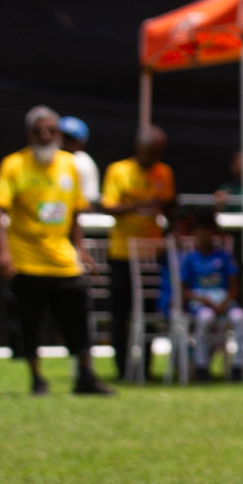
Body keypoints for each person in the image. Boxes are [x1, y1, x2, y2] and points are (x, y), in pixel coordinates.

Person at [0, 106, 114, 396]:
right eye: (39, 131)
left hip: (63, 260)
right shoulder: (14, 165)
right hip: (27, 260)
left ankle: (85, 376)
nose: (45, 136)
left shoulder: (70, 164)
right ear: (28, 134)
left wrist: (80, 250)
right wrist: (2, 252)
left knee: (78, 319)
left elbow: (75, 213)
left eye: (51, 130)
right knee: (29, 323)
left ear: (59, 134)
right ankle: (37, 379)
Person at [100, 125, 176, 380]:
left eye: (158, 153)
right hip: (122, 252)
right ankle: (122, 367)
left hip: (152, 253)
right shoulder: (118, 170)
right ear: (138, 149)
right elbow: (108, 206)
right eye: (149, 152)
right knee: (120, 313)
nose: (153, 157)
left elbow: (169, 206)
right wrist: (137, 205)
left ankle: (146, 366)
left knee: (150, 312)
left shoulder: (164, 172)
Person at [176, 213, 243, 381]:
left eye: (207, 232)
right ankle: (202, 367)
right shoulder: (190, 259)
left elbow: (235, 286)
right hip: (201, 304)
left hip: (223, 302)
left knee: (240, 318)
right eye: (200, 232)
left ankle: (239, 367)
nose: (204, 236)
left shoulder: (224, 256)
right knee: (205, 319)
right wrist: (203, 300)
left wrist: (224, 303)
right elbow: (183, 290)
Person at [58, 115, 99, 206]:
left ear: (81, 142)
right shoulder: (50, 158)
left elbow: (90, 199)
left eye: (69, 139)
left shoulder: (82, 162)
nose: (62, 142)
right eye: (61, 137)